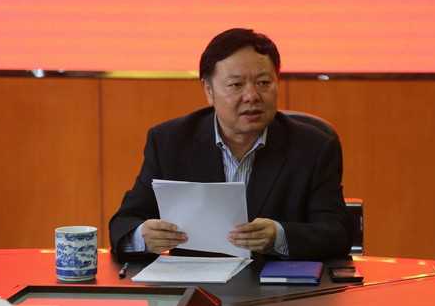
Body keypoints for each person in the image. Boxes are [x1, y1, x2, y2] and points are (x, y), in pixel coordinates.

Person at [109, 28, 352, 259]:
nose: (252, 96)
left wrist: (279, 236)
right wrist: (143, 237)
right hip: (196, 282)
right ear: (208, 90)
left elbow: (338, 233)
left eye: (263, 83)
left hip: (276, 283)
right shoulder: (170, 142)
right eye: (236, 85)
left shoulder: (313, 147)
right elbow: (123, 224)